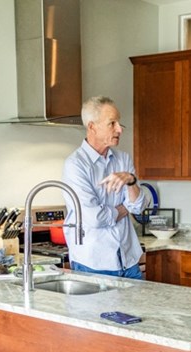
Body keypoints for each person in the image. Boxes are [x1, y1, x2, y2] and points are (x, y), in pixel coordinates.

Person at [62, 96, 145, 279]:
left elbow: (139, 207)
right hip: (94, 264)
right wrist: (124, 208)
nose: (119, 129)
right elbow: (94, 218)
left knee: (138, 309)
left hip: (128, 260)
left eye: (119, 123)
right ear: (92, 127)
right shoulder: (75, 165)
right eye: (112, 123)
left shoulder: (123, 159)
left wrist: (131, 180)